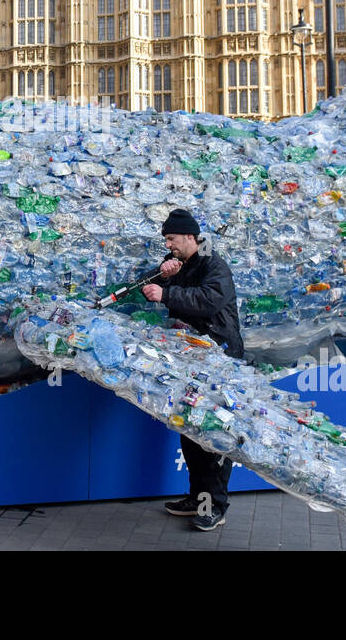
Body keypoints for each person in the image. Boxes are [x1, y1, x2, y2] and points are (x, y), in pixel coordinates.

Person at [141, 208, 243, 532]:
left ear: (189, 237)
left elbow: (207, 300)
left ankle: (215, 506)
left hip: (221, 360)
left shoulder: (216, 267)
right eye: (166, 240)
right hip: (191, 360)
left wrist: (168, 291)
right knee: (191, 430)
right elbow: (148, 286)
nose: (168, 244)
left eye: (171, 238)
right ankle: (197, 499)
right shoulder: (178, 268)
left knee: (214, 434)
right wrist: (163, 275)